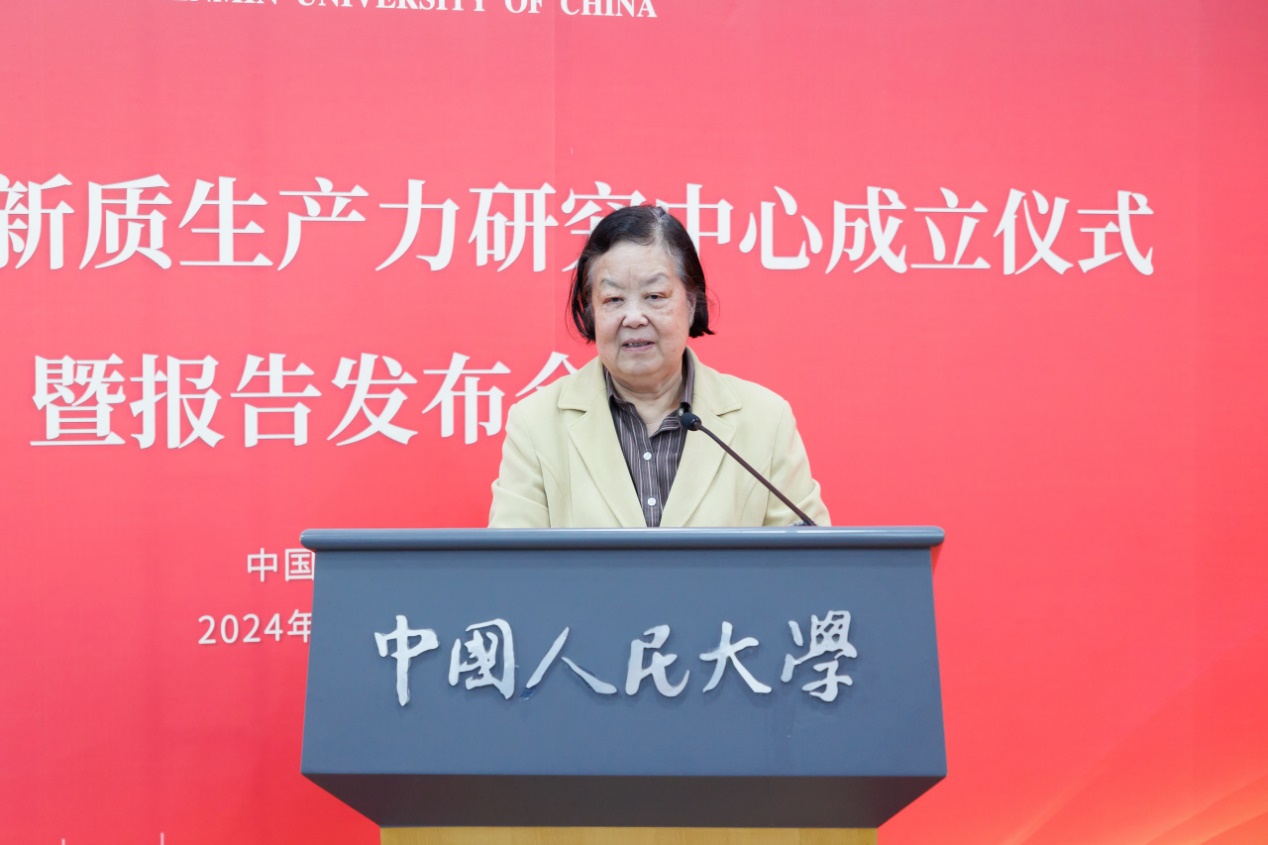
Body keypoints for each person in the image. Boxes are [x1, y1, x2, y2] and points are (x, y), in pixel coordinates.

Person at [488, 205, 829, 528]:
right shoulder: (536, 423)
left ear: (691, 303)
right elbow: (513, 563)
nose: (634, 317)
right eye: (613, 299)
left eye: (654, 296)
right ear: (591, 312)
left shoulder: (766, 419)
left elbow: (808, 560)